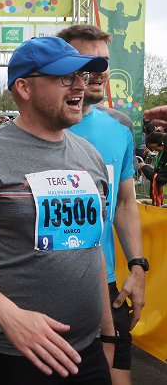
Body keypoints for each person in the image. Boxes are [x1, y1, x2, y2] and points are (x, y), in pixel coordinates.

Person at [0, 36, 115, 384]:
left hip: (85, 350)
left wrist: (109, 337)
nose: (80, 84)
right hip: (10, 352)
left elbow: (91, 250)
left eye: (82, 75)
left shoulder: (88, 154)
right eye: (66, 76)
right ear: (24, 88)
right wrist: (10, 316)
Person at [58, 25, 147, 385]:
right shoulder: (38, 128)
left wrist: (139, 268)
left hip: (105, 284)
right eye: (86, 61)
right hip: (44, 286)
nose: (98, 71)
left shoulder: (119, 127)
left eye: (104, 62)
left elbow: (125, 203)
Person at [137, 131, 167, 206]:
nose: (154, 150)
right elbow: (162, 171)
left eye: (154, 147)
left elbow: (160, 178)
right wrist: (153, 169)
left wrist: (145, 167)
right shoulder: (163, 152)